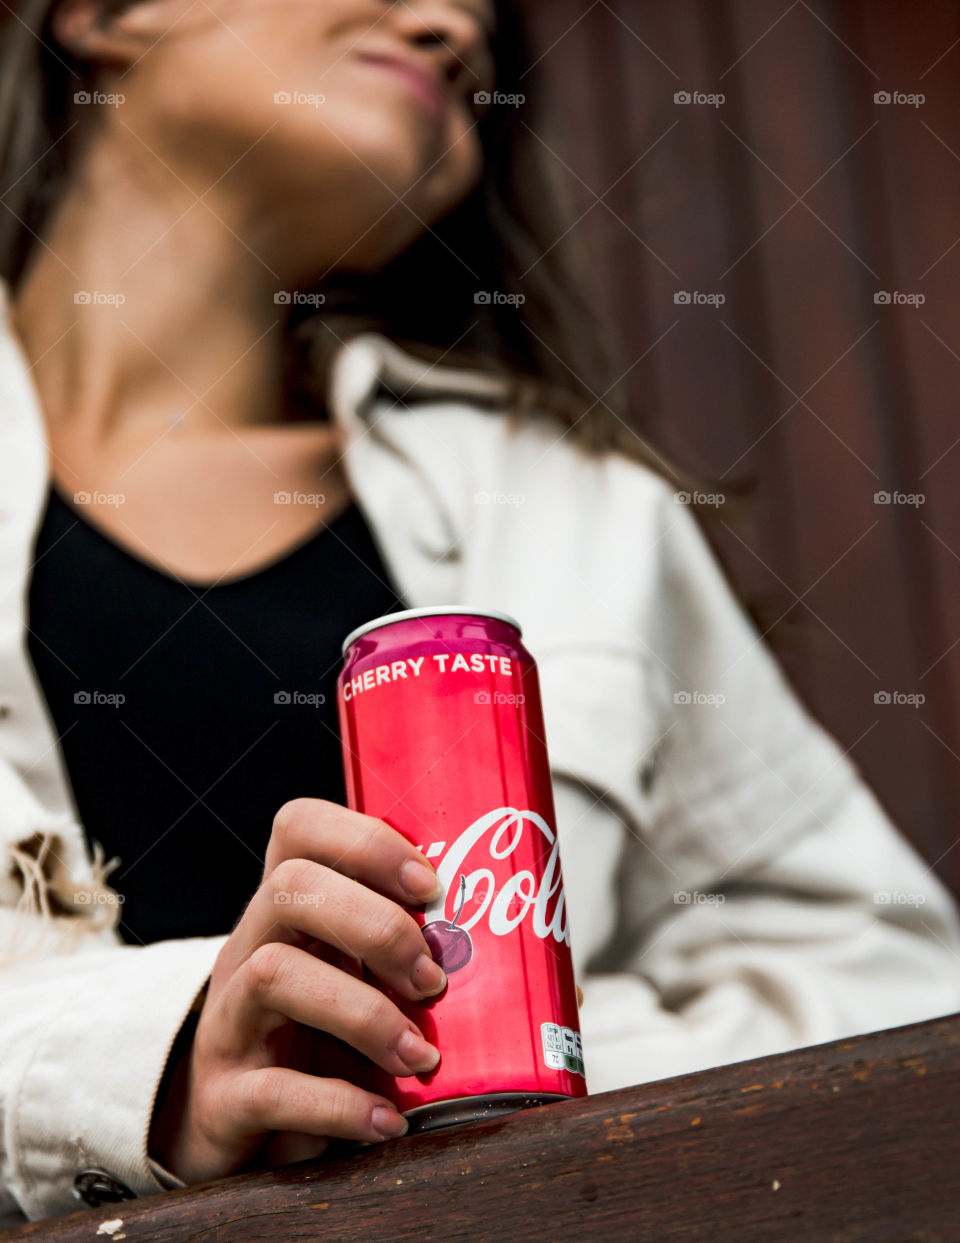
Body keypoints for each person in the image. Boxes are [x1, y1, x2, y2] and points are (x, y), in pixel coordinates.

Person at [1, 0, 958, 1225]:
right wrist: (160, 1064)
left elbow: (892, 975)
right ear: (109, 16)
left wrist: (507, 1052)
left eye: (487, 25)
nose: (456, 24)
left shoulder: (577, 505)